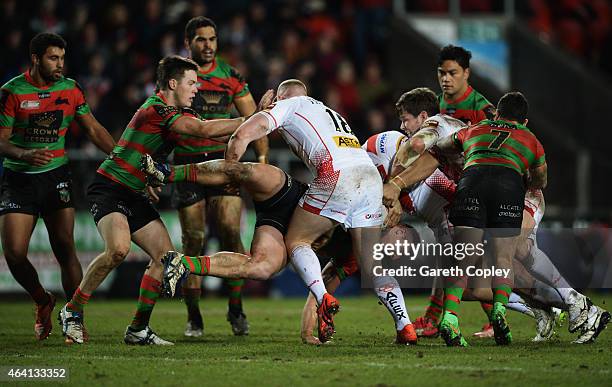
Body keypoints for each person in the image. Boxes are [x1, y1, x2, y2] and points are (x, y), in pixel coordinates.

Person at [199, 79, 416, 344]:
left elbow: (242, 135)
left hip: (336, 174)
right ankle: (405, 326)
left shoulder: (288, 106)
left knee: (297, 241)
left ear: (280, 97)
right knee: (371, 266)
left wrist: (230, 170)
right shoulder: (329, 111)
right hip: (368, 179)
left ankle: (323, 298)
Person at [57, 55, 246, 345]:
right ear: (173, 83)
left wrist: (248, 132)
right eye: (192, 83)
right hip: (110, 187)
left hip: (134, 192)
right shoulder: (157, 108)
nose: (197, 89)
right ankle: (72, 310)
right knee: (118, 250)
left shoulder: (178, 113)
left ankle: (138, 329)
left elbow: (207, 138)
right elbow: (204, 131)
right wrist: (252, 120)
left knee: (165, 258)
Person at [0, 32, 115, 341]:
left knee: (65, 247)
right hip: (19, 179)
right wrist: (23, 153)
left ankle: (74, 318)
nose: (60, 64)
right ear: (35, 59)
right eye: (53, 58)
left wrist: (119, 157)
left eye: (62, 58)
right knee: (13, 253)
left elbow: (92, 128)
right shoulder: (12, 92)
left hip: (56, 176)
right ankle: (42, 300)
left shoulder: (70, 90)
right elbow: (1, 139)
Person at [175, 16, 269, 337]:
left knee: (231, 232)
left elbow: (256, 119)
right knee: (194, 241)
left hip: (223, 163)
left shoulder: (230, 76)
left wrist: (262, 160)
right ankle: (194, 316)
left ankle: (236, 308)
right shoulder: (178, 77)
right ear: (188, 43)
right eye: (201, 40)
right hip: (187, 164)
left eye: (212, 39)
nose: (208, 45)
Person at [435, 91, 548, 346]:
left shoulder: (477, 127)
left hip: (472, 180)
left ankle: (450, 318)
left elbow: (443, 144)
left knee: (463, 255)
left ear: (496, 113)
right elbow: (541, 179)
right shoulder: (531, 139)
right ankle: (499, 311)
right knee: (503, 257)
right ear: (525, 122)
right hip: (508, 186)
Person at [437, 45, 495, 125]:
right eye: (442, 73)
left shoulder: (483, 109)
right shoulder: (433, 105)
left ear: (466, 73)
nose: (446, 79)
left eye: (452, 73)